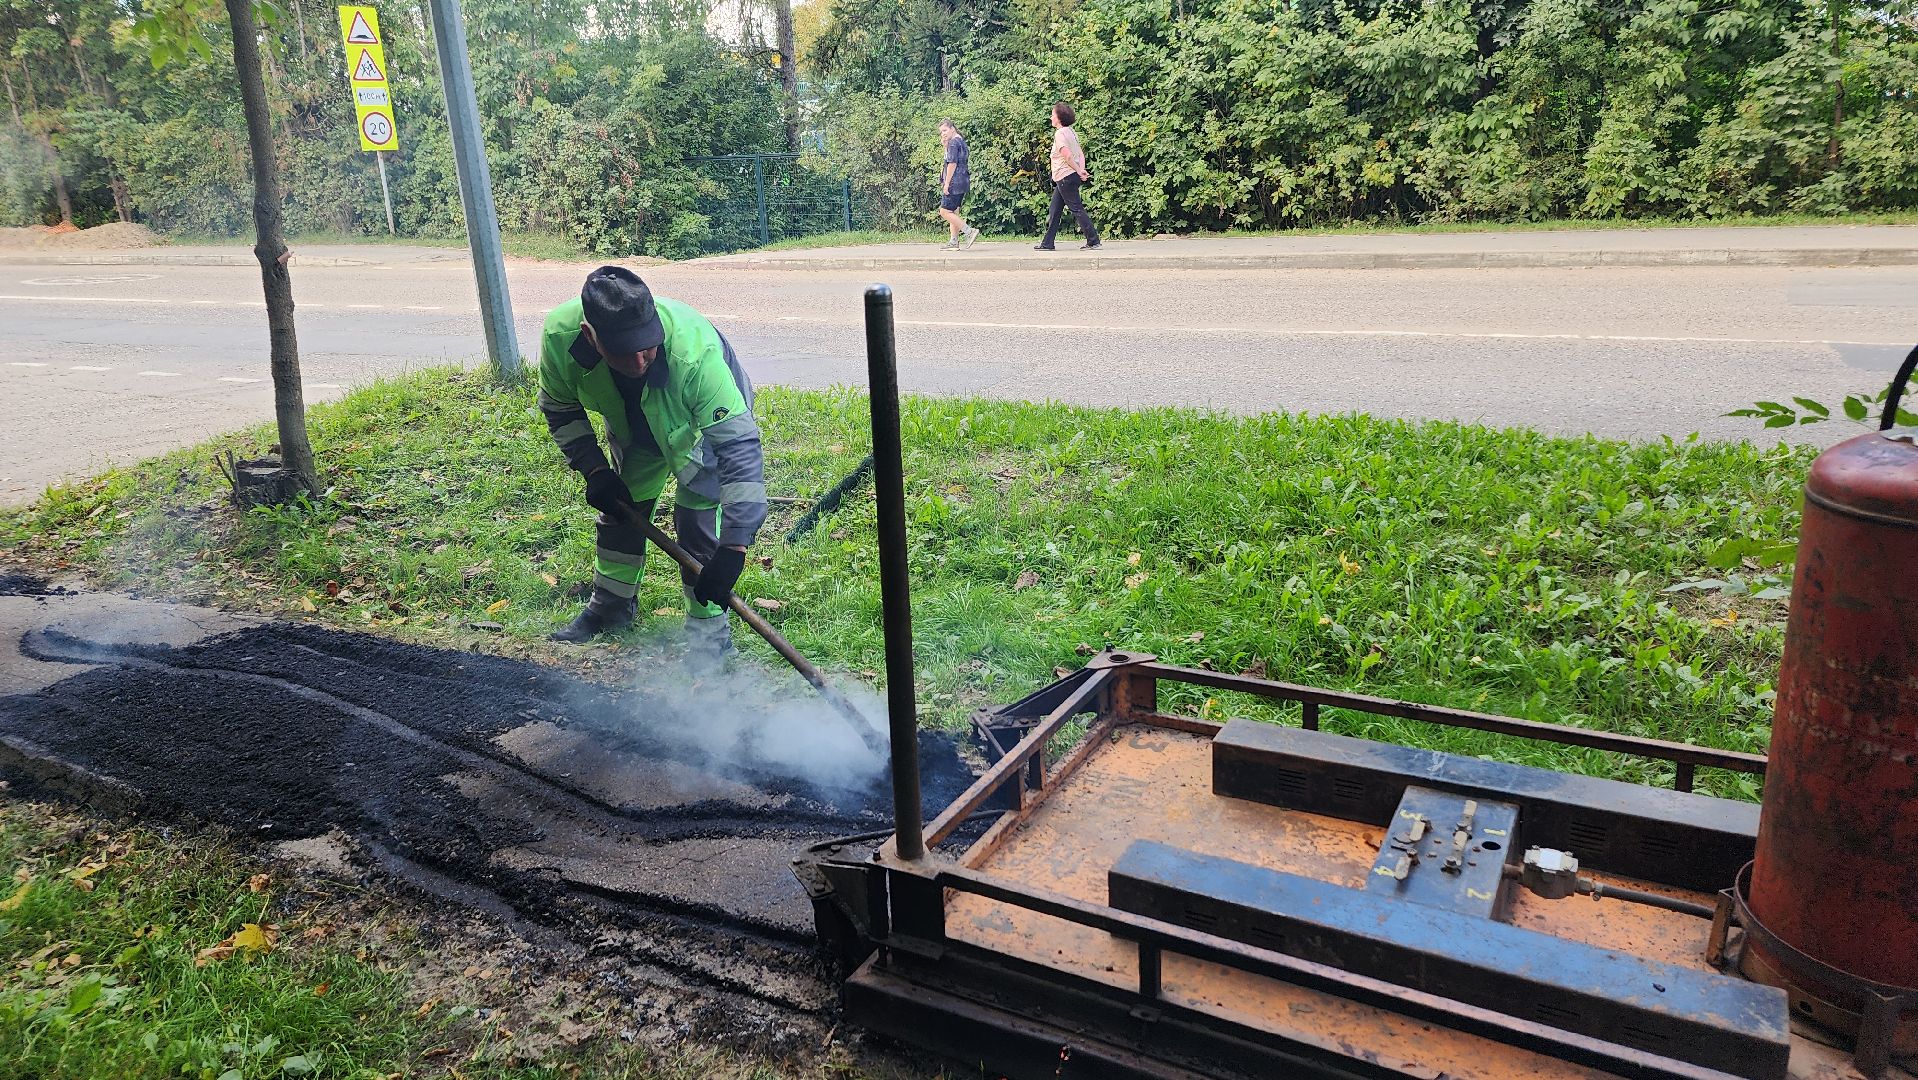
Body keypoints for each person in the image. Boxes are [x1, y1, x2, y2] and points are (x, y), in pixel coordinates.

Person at [537, 266, 768, 668]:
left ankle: (709, 636)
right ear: (591, 336)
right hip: (635, 428)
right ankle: (610, 609)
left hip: (701, 427)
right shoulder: (561, 338)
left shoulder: (695, 355)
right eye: (625, 350)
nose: (640, 358)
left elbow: (738, 449)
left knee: (697, 523)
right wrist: (595, 470)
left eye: (647, 345)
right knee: (623, 510)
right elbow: (560, 409)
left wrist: (734, 546)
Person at [1035, 101, 1100, 252]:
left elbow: (1068, 156)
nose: (1051, 117)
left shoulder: (1060, 134)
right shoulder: (1071, 132)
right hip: (1066, 177)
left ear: (1059, 117)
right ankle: (1048, 243)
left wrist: (1078, 170)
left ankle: (1093, 241)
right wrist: (1081, 170)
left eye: (1052, 115)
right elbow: (1080, 154)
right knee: (1055, 210)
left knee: (1076, 208)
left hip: (1066, 176)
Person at [938, 119, 980, 250]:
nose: (943, 134)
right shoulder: (960, 141)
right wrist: (945, 145)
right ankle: (954, 241)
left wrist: (947, 183)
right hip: (963, 181)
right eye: (941, 132)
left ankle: (969, 231)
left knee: (944, 211)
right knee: (954, 211)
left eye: (945, 130)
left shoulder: (953, 143)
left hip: (954, 182)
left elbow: (952, 163)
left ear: (952, 128)